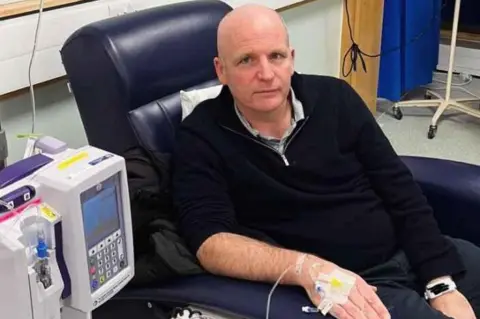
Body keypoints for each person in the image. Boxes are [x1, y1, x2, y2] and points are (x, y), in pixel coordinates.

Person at [171, 4, 480, 319]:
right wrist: (306, 268)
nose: (265, 73)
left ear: (291, 58)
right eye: (246, 60)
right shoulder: (201, 136)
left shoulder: (335, 98)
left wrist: (440, 282)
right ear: (221, 69)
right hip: (346, 285)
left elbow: (402, 191)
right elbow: (211, 243)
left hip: (411, 252)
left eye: (275, 56)